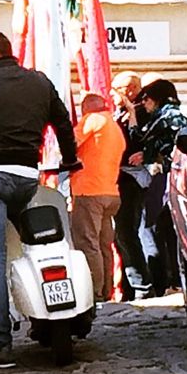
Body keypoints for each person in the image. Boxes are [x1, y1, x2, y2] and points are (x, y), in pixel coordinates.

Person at [0, 31, 79, 368]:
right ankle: (54, 316)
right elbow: (63, 122)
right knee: (42, 246)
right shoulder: (40, 82)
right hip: (28, 177)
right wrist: (70, 158)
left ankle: (1, 346)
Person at [127, 79, 185, 295]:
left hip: (168, 179)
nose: (145, 105)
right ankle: (175, 280)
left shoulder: (166, 117)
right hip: (173, 177)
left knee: (161, 228)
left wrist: (132, 113)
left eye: (146, 100)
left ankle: (172, 281)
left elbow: (140, 137)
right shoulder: (175, 116)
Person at [70, 93, 126, 303]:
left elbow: (70, 143)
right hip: (111, 192)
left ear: (86, 109)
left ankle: (93, 292)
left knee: (87, 243)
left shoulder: (92, 120)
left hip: (88, 191)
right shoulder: (114, 127)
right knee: (104, 245)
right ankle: (107, 290)